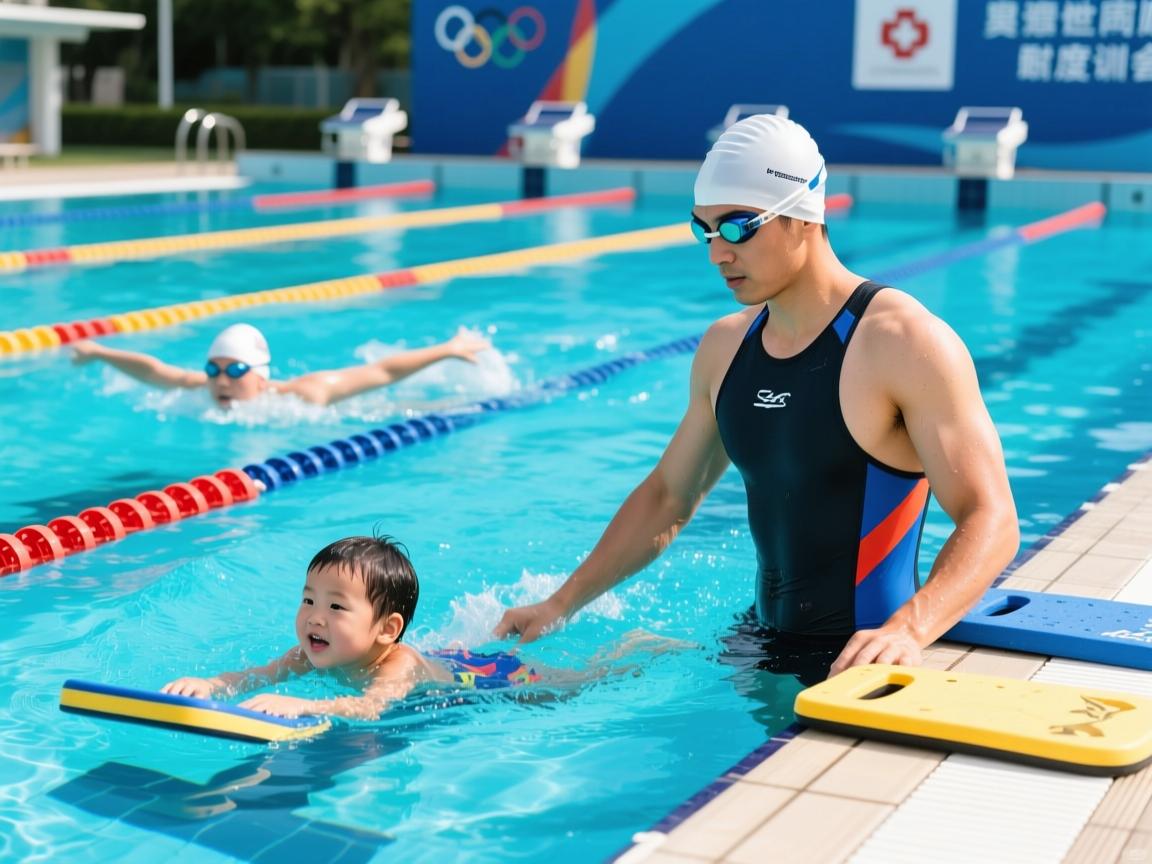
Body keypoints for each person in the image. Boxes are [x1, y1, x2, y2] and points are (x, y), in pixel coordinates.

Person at [494, 115, 1020, 683]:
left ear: (803, 215)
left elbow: (992, 516)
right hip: (758, 637)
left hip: (861, 654)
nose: (718, 252)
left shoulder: (902, 341)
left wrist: (910, 629)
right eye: (704, 230)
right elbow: (669, 495)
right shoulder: (726, 346)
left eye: (738, 227)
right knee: (550, 690)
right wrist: (561, 603)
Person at [162, 535, 680, 719]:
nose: (314, 617)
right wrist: (213, 685)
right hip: (452, 661)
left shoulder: (401, 664)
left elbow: (369, 707)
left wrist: (307, 705)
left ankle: (634, 649)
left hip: (495, 677)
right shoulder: (306, 653)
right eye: (308, 599)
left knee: (580, 686)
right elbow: (256, 674)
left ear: (387, 629)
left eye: (336, 608)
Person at [71, 322, 490, 409]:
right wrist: (99, 352)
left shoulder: (304, 395)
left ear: (260, 375)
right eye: (214, 369)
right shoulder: (201, 388)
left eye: (235, 371)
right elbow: (154, 370)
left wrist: (447, 347)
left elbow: (381, 373)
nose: (220, 380)